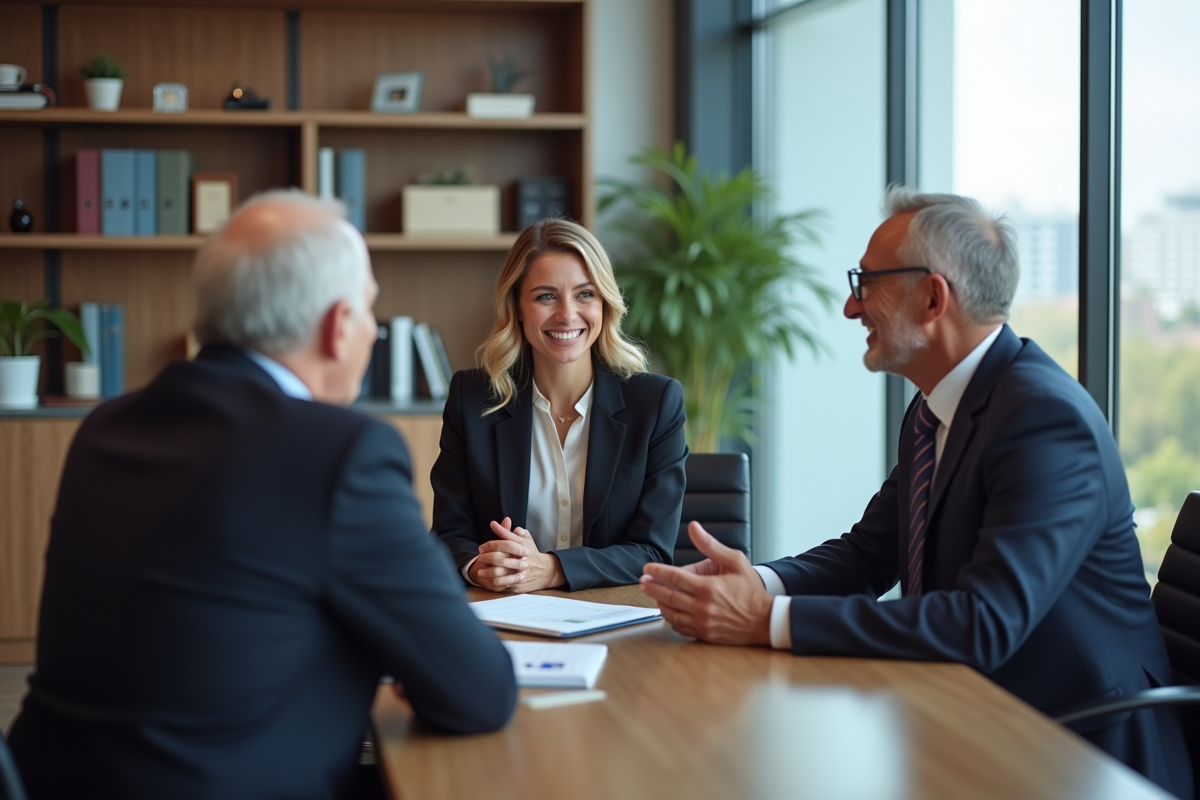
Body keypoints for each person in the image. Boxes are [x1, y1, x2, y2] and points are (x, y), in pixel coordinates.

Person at [640, 187, 1192, 797]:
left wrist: (768, 619)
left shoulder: (1044, 421)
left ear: (933, 296)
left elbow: (984, 623)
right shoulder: (933, 410)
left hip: (1079, 751)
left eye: (867, 282)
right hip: (972, 714)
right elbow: (868, 554)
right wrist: (758, 584)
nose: (852, 308)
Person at [8, 191, 517, 800]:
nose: (376, 333)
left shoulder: (107, 428)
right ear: (337, 327)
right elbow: (478, 693)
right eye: (368, 311)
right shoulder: (340, 452)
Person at [431, 218, 687, 592]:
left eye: (585, 294)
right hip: (504, 611)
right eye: (546, 296)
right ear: (517, 306)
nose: (567, 314)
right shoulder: (471, 398)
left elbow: (653, 551)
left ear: (604, 303)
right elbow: (449, 534)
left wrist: (551, 569)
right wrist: (477, 566)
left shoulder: (656, 403)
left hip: (614, 614)